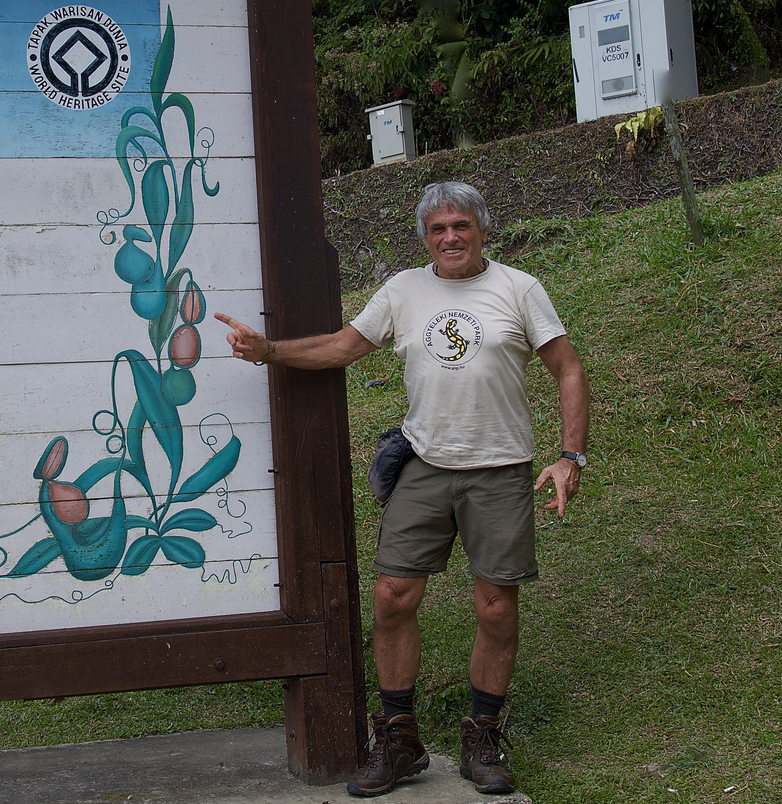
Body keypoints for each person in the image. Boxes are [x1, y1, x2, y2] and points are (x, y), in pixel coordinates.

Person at [216, 181, 588, 797]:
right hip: (425, 464)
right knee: (392, 595)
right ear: (424, 238)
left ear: (483, 230)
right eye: (438, 229)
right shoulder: (403, 290)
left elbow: (568, 368)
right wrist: (269, 351)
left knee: (496, 605)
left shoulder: (518, 289)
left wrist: (570, 455)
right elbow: (343, 346)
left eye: (461, 225)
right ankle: (397, 737)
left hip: (499, 468)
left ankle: (484, 736)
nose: (450, 237)